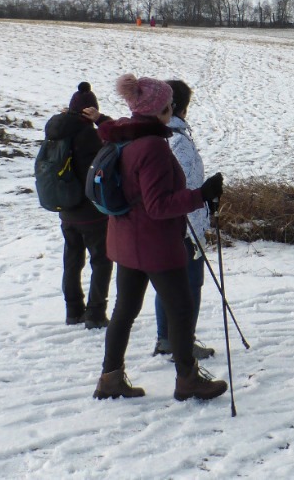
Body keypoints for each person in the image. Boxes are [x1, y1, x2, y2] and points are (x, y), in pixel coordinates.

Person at [92, 73, 227, 402]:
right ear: (159, 109)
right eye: (168, 104)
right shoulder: (152, 145)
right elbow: (158, 205)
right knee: (180, 310)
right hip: (154, 243)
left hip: (125, 239)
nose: (172, 107)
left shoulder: (123, 134)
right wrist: (202, 195)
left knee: (125, 310)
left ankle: (110, 377)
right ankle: (188, 379)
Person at [151, 80, 214, 361]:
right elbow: (186, 188)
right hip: (185, 228)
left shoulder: (153, 135)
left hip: (162, 224)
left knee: (169, 284)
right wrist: (207, 199)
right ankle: (183, 343)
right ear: (183, 108)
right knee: (189, 285)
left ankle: (166, 338)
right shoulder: (179, 140)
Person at [43, 82, 113, 328]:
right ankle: (95, 313)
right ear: (91, 110)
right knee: (101, 261)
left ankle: (73, 311)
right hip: (91, 213)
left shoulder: (56, 131)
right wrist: (101, 123)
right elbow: (107, 157)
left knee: (72, 260)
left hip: (66, 209)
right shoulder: (88, 136)